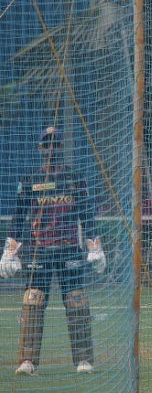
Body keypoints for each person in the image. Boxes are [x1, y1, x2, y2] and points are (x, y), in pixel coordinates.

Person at [0, 127, 106, 374]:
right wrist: (9, 250)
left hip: (69, 249)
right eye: (46, 145)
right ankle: (28, 361)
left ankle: (84, 360)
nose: (51, 150)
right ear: (40, 149)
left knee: (77, 301)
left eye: (55, 144)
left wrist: (95, 245)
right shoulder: (29, 181)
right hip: (39, 251)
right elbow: (18, 218)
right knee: (33, 301)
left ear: (61, 147)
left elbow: (87, 215)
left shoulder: (75, 179)